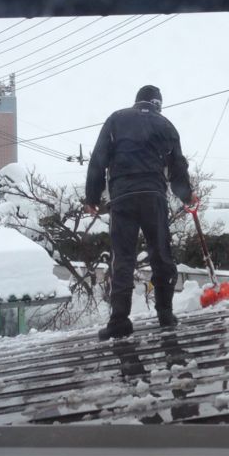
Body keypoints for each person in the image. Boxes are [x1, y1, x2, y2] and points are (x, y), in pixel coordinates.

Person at [84, 84, 195, 340]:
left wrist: (92, 197)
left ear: (137, 101)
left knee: (123, 259)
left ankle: (119, 321)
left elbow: (98, 158)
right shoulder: (165, 125)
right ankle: (165, 315)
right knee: (161, 254)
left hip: (123, 197)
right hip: (153, 196)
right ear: (158, 104)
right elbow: (177, 166)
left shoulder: (116, 119)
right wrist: (187, 195)